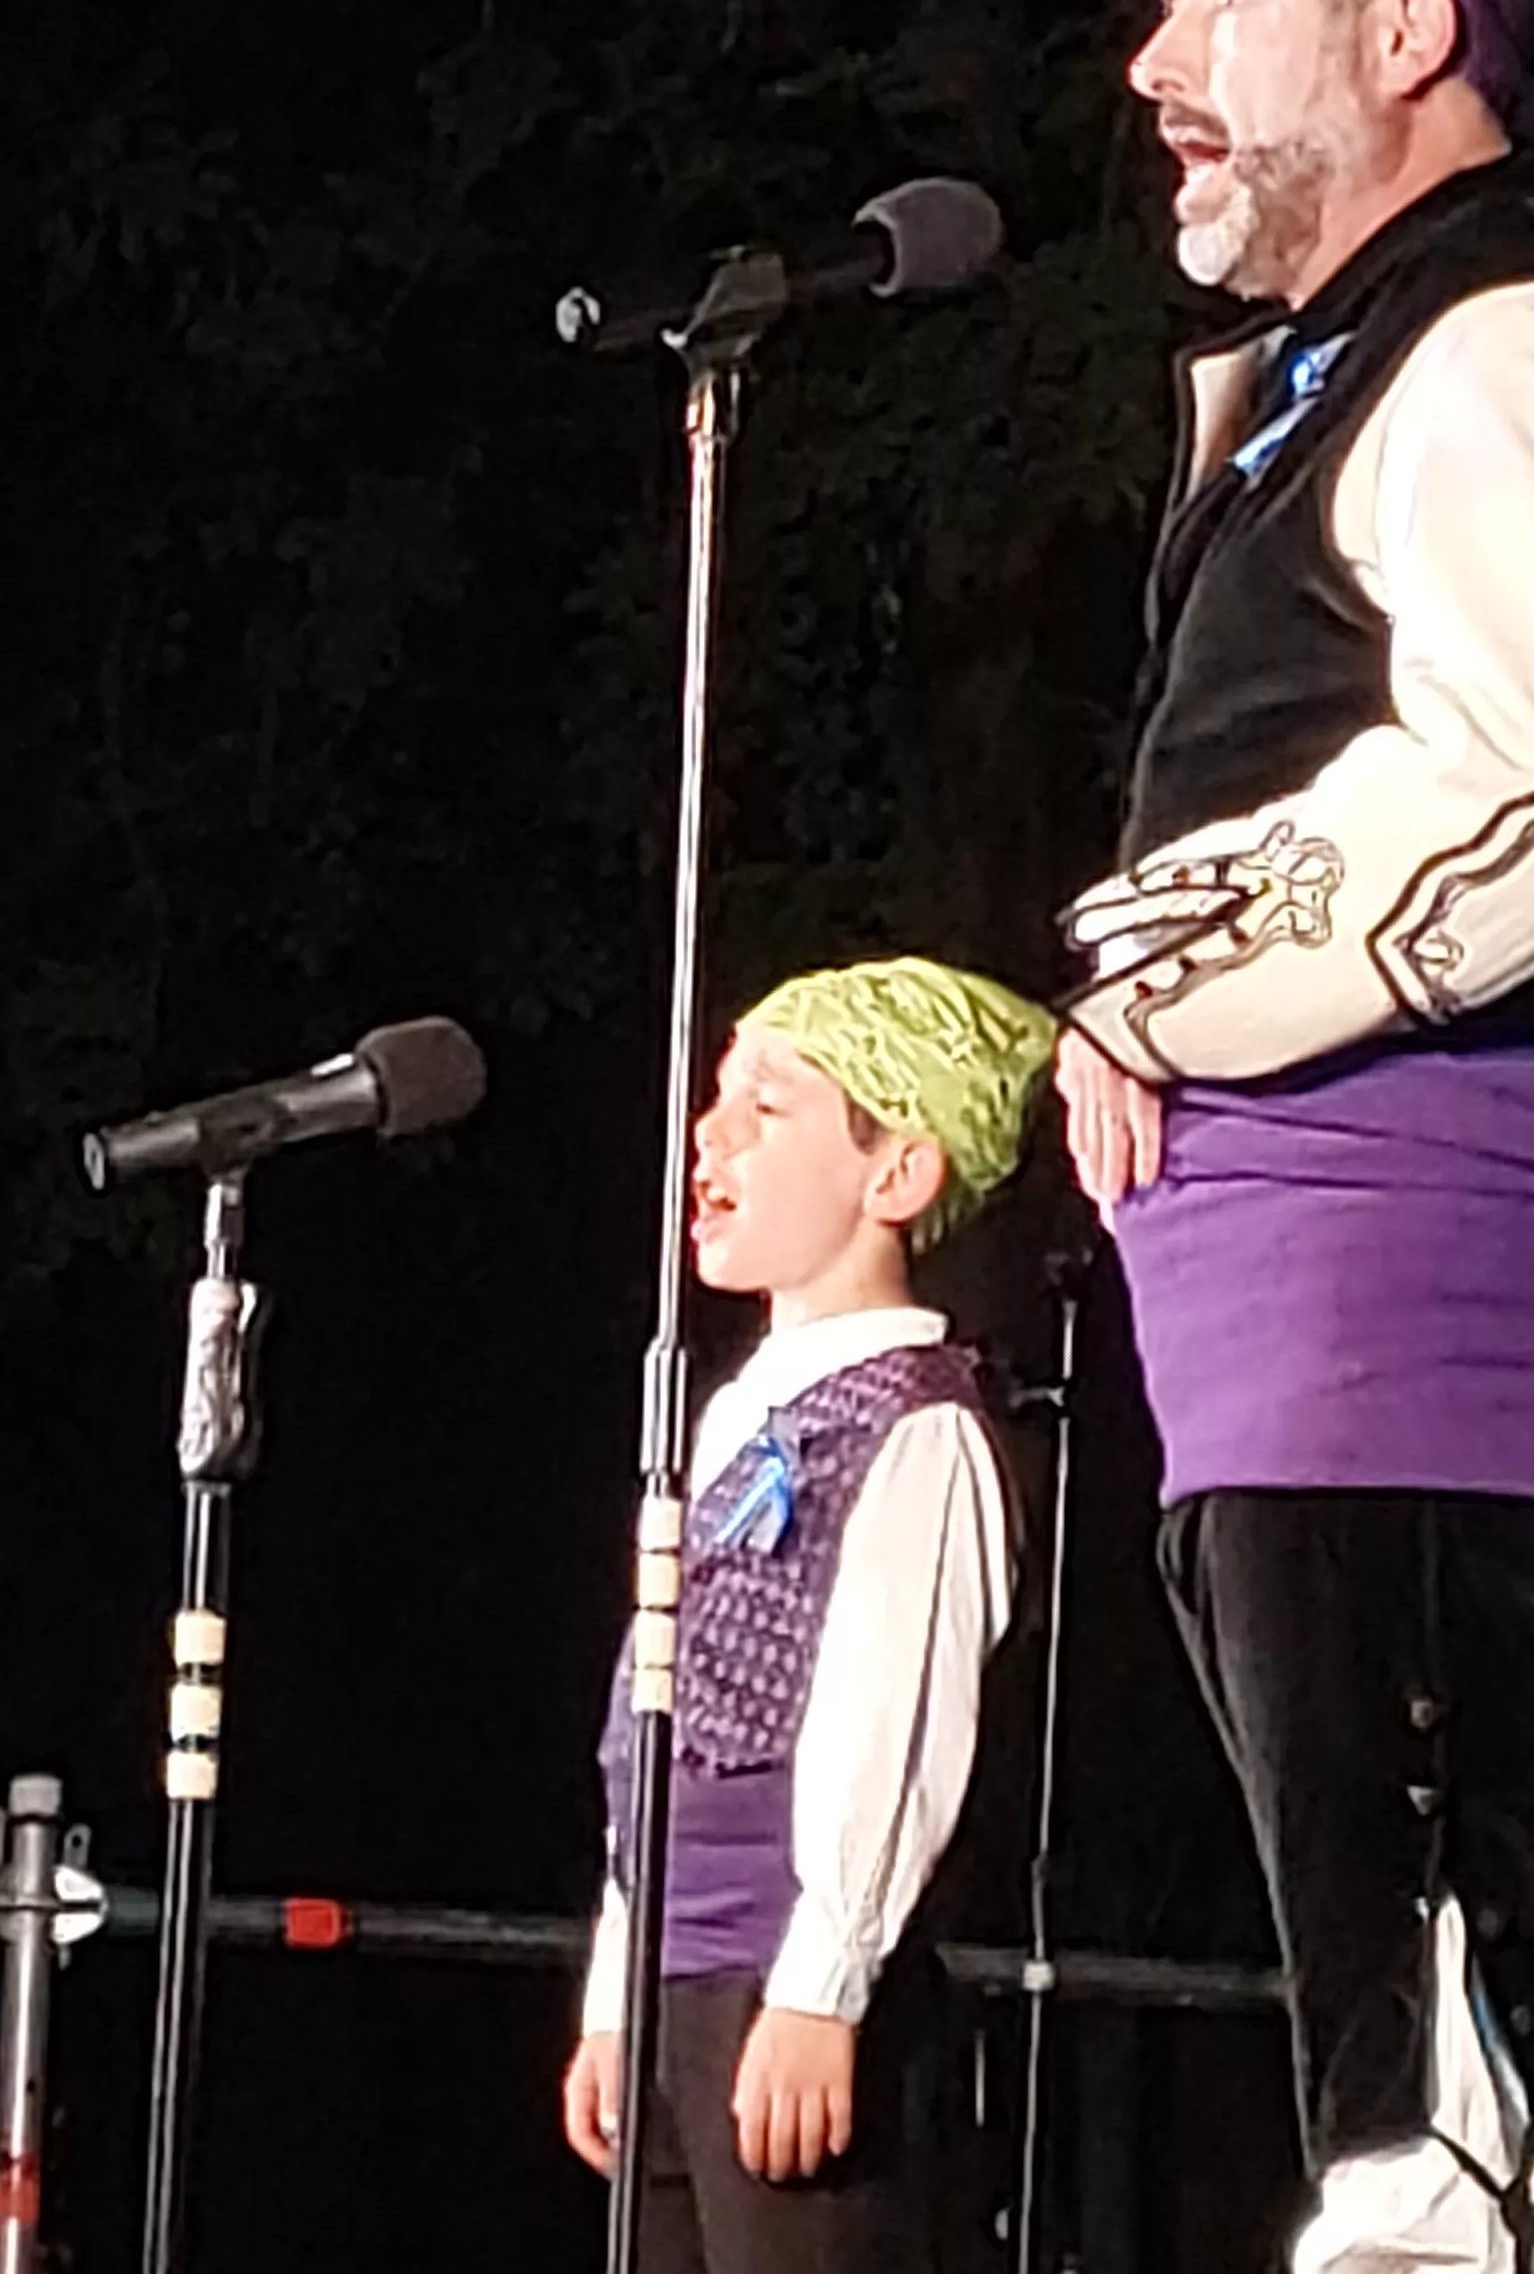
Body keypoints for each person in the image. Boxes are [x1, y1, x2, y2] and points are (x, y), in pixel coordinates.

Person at [1048, 0, 1534, 2274]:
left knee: (1450, 1967)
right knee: (1371, 1904)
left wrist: (1161, 976)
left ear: (1407, 23)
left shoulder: (1511, 339)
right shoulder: (1324, 367)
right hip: (1282, 1268)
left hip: (1412, 1245)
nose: (1156, 64)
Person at [563, 956, 1060, 2274]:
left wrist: (822, 1984)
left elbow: (891, 1730)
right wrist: (619, 1985)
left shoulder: (919, 1426)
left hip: (782, 1986)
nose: (710, 1137)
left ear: (896, 1174)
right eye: (717, 1098)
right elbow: (657, 1728)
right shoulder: (734, 1417)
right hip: (677, 1983)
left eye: (769, 1109)